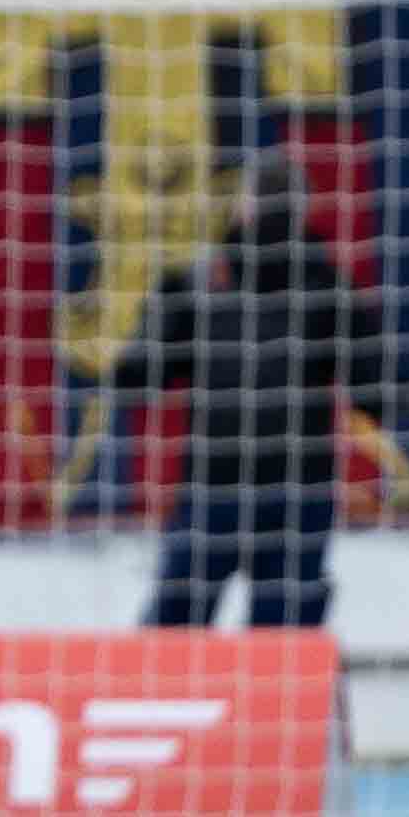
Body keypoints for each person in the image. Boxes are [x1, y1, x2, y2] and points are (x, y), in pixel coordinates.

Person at [112, 150, 390, 629]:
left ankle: (168, 701)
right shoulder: (329, 289)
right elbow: (381, 395)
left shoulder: (196, 285)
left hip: (218, 483)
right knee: (281, 641)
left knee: (174, 636)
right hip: (294, 486)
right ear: (304, 212)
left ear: (244, 207)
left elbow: (134, 377)